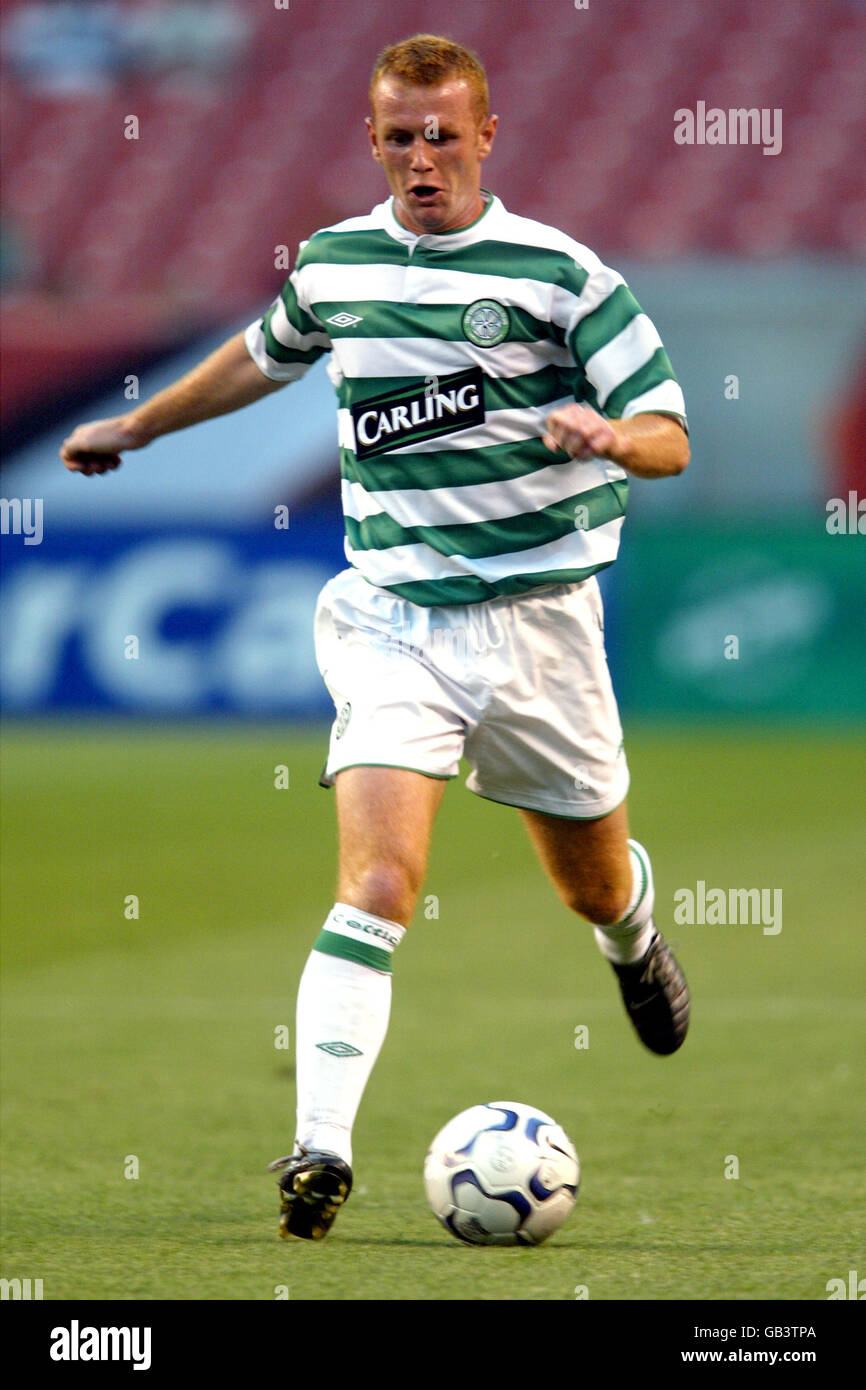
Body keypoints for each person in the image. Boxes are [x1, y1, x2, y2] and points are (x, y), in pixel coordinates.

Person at [61, 34, 691, 1242]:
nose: (420, 158)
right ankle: (318, 1150)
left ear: (485, 136)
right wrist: (136, 425)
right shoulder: (340, 264)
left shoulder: (562, 275)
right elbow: (261, 355)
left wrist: (612, 439)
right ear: (372, 141)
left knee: (590, 883)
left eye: (442, 134)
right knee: (380, 882)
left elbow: (667, 428)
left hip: (541, 626)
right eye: (399, 136)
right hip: (392, 618)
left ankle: (634, 936)